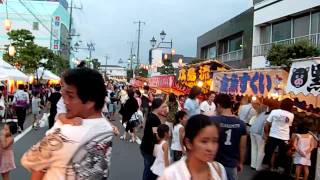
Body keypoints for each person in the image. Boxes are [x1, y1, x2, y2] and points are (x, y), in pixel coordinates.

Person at [21, 68, 114, 179]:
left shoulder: (67, 133)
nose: (65, 101)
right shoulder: (106, 128)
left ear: (90, 101)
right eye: (64, 94)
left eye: (70, 96)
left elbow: (34, 163)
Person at [159, 114, 227, 180]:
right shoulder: (171, 175)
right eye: (204, 141)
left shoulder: (219, 169)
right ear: (189, 143)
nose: (211, 148)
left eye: (215, 141)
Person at [210, 94, 247, 180]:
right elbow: (242, 147)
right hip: (231, 165)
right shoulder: (241, 124)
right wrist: (241, 162)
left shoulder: (212, 120)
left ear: (218, 105)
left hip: (214, 164)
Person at [263, 98, 294, 173]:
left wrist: (266, 135)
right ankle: (280, 170)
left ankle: (267, 169)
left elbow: (266, 125)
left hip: (273, 135)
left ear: (282, 104)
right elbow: (288, 126)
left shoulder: (274, 112)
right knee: (282, 155)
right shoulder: (291, 115)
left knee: (268, 152)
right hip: (284, 137)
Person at [140, 98, 168, 180]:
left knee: (149, 170)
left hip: (146, 147)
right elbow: (157, 136)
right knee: (149, 172)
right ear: (157, 107)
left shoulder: (152, 115)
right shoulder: (154, 119)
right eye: (163, 107)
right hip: (149, 149)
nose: (164, 109)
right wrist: (165, 136)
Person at [250, 99, 269, 171]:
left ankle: (253, 165)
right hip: (259, 132)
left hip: (253, 130)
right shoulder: (268, 113)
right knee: (261, 150)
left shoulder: (260, 111)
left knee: (254, 148)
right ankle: (258, 167)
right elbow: (265, 125)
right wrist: (265, 134)